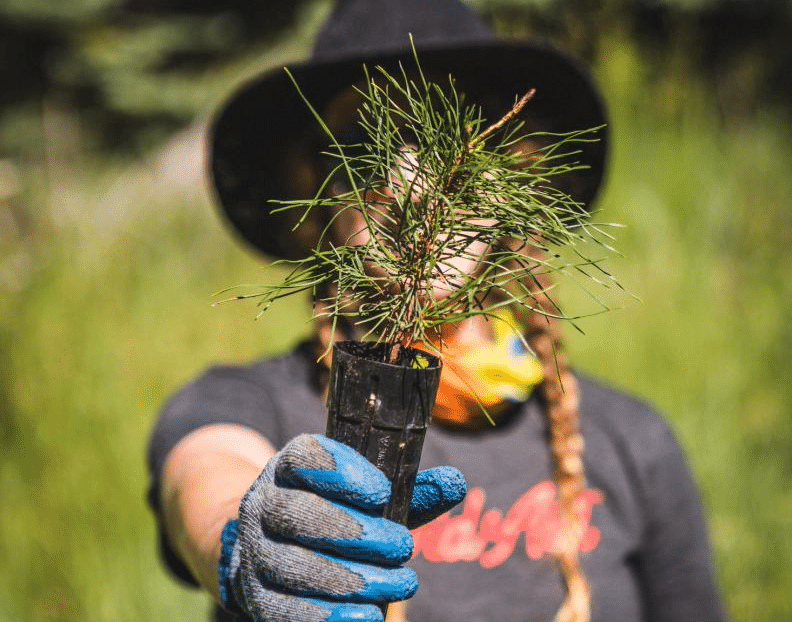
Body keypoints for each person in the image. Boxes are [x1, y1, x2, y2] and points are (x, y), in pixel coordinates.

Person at [146, 1, 728, 621]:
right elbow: (206, 478)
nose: (410, 183)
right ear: (310, 188)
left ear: (513, 175)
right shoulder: (246, 404)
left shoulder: (631, 442)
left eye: (453, 139)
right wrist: (249, 545)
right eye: (362, 145)